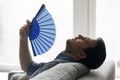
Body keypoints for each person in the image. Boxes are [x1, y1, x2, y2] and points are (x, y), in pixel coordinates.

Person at [19, 20, 106, 79]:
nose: (80, 35)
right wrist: (23, 38)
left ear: (81, 54)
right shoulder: (63, 61)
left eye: (84, 40)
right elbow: (29, 67)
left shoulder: (62, 65)